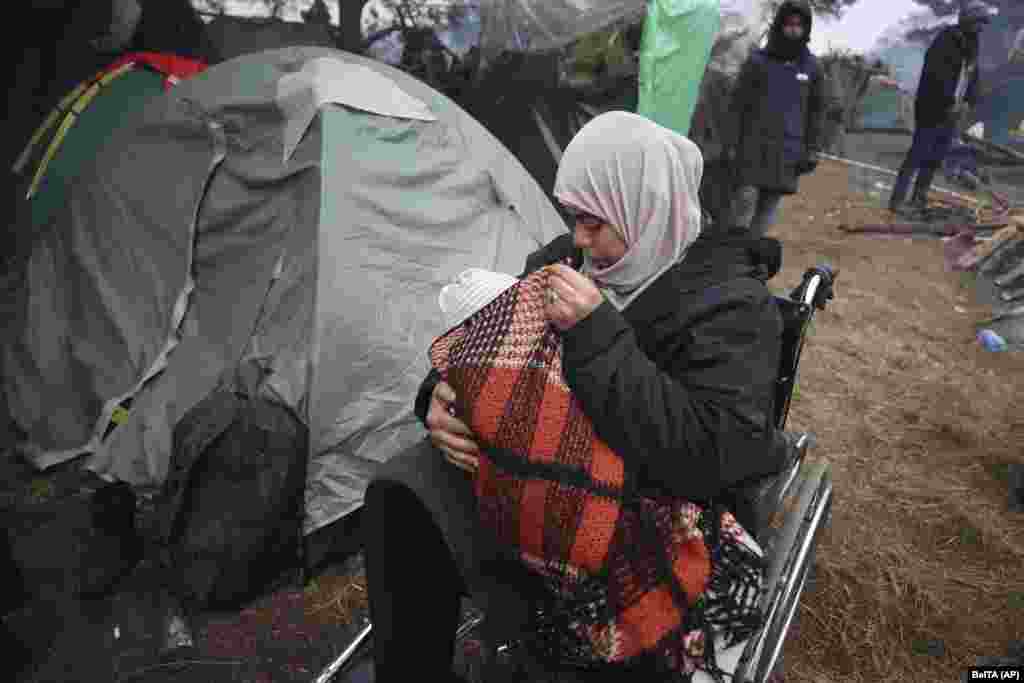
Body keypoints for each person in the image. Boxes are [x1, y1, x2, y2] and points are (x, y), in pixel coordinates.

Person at [351, 111, 788, 683]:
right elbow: (490, 344)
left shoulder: (730, 307)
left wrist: (596, 333)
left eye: (594, 222)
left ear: (645, 208)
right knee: (401, 489)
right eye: (574, 219)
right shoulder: (565, 261)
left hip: (640, 515)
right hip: (533, 480)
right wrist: (440, 396)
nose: (579, 239)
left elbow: (711, 452)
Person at [729, 0, 826, 237]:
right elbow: (737, 105)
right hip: (753, 147)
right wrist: (732, 143)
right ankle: (729, 258)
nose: (794, 29)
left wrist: (812, 149)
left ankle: (749, 264)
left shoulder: (812, 68)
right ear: (779, 25)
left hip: (787, 151)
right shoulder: (757, 62)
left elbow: (817, 112)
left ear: (806, 29)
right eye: (789, 24)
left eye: (799, 25)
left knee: (767, 209)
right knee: (744, 202)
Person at [888, 1, 991, 214]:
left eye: (983, 23)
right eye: (978, 22)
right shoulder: (947, 40)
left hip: (950, 112)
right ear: (968, 20)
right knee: (918, 153)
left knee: (935, 156)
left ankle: (918, 197)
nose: (981, 28)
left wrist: (970, 100)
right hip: (931, 108)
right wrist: (947, 103)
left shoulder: (973, 43)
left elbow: (973, 74)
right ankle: (897, 201)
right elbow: (935, 76)